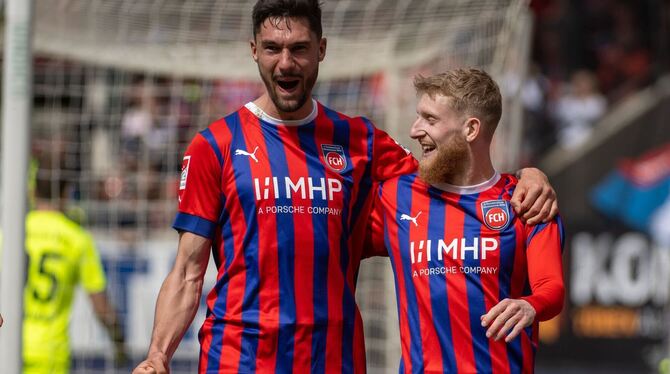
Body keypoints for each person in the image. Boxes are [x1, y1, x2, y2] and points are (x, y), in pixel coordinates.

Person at [133, 1, 558, 373]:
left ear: (321, 50)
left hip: (333, 356)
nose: (286, 63)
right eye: (272, 49)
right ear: (253, 52)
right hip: (239, 354)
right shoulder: (217, 145)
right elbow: (188, 272)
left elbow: (454, 180)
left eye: (299, 48)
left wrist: (526, 177)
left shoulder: (360, 140)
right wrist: (158, 355)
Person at [366, 68, 564, 373]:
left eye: (431, 119)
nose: (415, 130)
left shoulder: (526, 201)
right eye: (419, 116)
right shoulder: (396, 196)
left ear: (471, 129)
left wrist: (530, 305)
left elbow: (551, 287)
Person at [23, 169, 128, 373]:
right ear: (65, 194)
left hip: (8, 344)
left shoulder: (10, 232)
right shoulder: (77, 239)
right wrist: (119, 342)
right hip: (50, 352)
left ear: (33, 191)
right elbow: (101, 307)